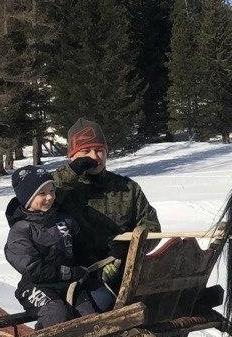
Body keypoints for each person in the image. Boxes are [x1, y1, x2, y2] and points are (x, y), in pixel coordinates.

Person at [52, 119, 161, 291]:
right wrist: (71, 172)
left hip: (121, 273)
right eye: (86, 151)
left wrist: (129, 247)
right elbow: (33, 205)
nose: (94, 157)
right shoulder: (56, 189)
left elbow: (152, 228)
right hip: (74, 277)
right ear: (72, 156)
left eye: (99, 150)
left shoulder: (128, 188)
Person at [3, 165, 105, 328]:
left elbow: (84, 250)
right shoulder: (20, 230)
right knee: (56, 311)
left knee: (90, 314)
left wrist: (100, 260)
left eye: (52, 191)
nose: (49, 197)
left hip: (68, 283)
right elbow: (33, 269)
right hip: (35, 286)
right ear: (27, 197)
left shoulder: (64, 221)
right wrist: (69, 273)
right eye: (42, 193)